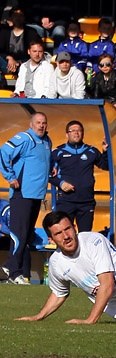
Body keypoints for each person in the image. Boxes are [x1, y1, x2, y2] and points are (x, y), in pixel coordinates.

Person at [15, 211, 116, 323]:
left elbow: (107, 284)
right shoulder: (56, 263)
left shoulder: (93, 242)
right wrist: (38, 317)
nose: (66, 236)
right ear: (51, 240)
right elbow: (59, 293)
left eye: (67, 229)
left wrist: (90, 320)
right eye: (58, 233)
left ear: (75, 228)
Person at [0, 112, 52, 285]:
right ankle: (14, 272)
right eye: (38, 122)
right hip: (22, 193)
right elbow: (3, 152)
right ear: (31, 124)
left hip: (37, 194)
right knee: (19, 232)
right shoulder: (24, 138)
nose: (41, 126)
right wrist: (10, 176)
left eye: (44, 123)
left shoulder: (47, 141)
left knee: (27, 234)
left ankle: (11, 265)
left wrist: (51, 169)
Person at [49, 121, 109, 233]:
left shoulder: (91, 151)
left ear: (83, 133)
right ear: (67, 134)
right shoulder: (58, 152)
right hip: (66, 201)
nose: (76, 133)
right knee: (65, 233)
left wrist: (105, 152)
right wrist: (61, 183)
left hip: (86, 202)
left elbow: (105, 166)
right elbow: (48, 174)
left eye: (79, 130)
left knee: (85, 235)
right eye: (73, 130)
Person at [0, 8, 42, 78]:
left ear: (24, 17)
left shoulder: (31, 32)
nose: (17, 18)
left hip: (24, 64)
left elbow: (35, 52)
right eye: (15, 15)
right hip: (7, 64)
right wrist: (9, 57)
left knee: (26, 69)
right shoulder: (4, 32)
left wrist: (18, 63)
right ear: (11, 18)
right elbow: (0, 50)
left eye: (20, 15)